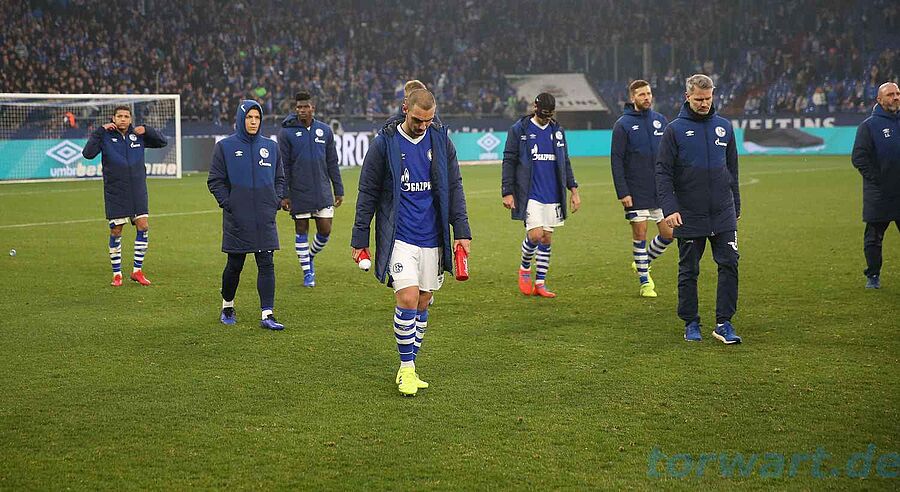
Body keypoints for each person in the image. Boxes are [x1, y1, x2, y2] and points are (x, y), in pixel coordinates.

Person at [351, 89, 471, 397]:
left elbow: (455, 187)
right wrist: (359, 239)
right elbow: (367, 192)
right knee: (407, 298)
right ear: (405, 108)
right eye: (418, 120)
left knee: (423, 302)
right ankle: (406, 367)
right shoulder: (385, 143)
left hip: (433, 238)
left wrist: (462, 232)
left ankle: (411, 364)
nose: (422, 126)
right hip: (399, 237)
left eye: (428, 121)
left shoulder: (440, 141)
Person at [656, 74, 742, 344]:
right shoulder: (674, 130)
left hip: (723, 212)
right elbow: (662, 172)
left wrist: (736, 204)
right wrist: (670, 208)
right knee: (689, 270)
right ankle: (691, 322)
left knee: (729, 264)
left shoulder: (724, 127)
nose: (704, 104)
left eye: (708, 98)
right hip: (689, 214)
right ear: (687, 97)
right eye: (698, 99)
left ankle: (724, 323)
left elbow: (732, 169)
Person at [207, 100, 286, 330]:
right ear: (241, 119)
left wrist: (275, 201)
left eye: (257, 117)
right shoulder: (225, 147)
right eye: (249, 117)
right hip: (237, 218)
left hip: (264, 217)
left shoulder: (271, 147)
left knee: (267, 263)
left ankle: (267, 314)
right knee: (234, 265)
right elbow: (215, 180)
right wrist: (229, 203)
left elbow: (280, 178)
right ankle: (227, 306)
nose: (253, 122)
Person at [501, 93, 580, 298]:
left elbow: (565, 162)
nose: (546, 119)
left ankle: (540, 283)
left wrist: (573, 190)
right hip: (530, 193)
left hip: (553, 193)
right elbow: (509, 160)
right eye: (543, 114)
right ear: (535, 108)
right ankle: (525, 267)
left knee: (546, 239)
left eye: (549, 115)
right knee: (535, 235)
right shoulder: (520, 129)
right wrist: (507, 191)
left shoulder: (557, 131)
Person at [82, 105, 167, 287]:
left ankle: (137, 271)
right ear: (113, 118)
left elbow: (162, 142)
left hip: (137, 190)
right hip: (116, 191)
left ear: (130, 119)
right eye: (119, 116)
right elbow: (87, 154)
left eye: (126, 116)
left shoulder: (138, 135)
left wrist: (147, 130)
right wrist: (100, 131)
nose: (123, 119)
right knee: (116, 231)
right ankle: (117, 274)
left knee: (143, 226)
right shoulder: (105, 136)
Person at [610, 80, 673, 297]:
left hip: (659, 189)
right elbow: (616, 160)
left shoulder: (660, 120)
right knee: (640, 233)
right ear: (632, 98)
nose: (646, 97)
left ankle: (642, 261)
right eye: (641, 94)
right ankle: (645, 282)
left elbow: (669, 154)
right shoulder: (623, 124)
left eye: (648, 93)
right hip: (635, 190)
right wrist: (623, 192)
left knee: (669, 233)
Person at [279, 91, 344, 287]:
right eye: (299, 107)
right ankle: (308, 273)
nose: (302, 110)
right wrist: (285, 194)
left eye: (305, 107)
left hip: (322, 189)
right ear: (295, 109)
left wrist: (338, 189)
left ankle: (309, 256)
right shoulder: (286, 133)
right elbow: (284, 166)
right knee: (301, 229)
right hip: (299, 190)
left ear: (312, 108)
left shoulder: (324, 130)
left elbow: (332, 162)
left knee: (325, 230)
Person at [851, 81, 900, 289]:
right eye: (890, 94)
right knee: (874, 237)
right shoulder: (869, 126)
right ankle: (873, 275)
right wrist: (878, 179)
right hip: (880, 193)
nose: (895, 97)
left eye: (897, 93)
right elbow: (859, 157)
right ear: (879, 99)